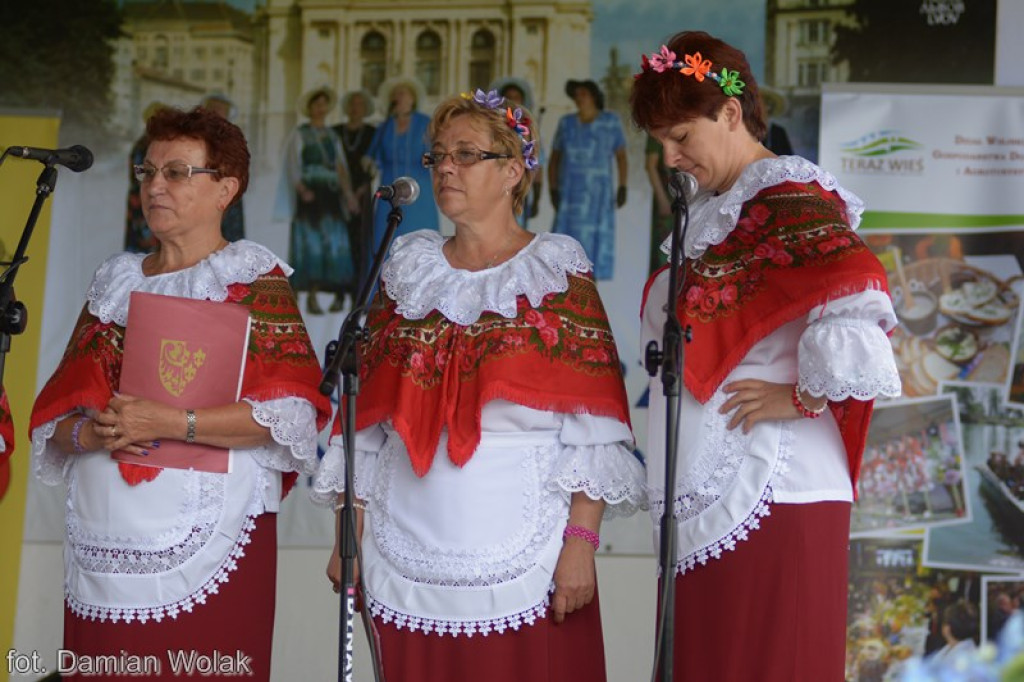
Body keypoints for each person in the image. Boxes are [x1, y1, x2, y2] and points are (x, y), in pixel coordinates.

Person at [311, 88, 645, 682]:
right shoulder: (406, 271)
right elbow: (365, 423)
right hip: (405, 542)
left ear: (513, 171)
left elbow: (595, 428)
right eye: (438, 155)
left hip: (528, 548)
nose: (445, 167)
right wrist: (349, 535)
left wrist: (580, 543)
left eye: (466, 154)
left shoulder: (556, 274)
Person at [630, 31, 902, 681]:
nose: (670, 157)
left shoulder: (786, 196)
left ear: (730, 113)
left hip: (773, 487)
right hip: (711, 493)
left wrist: (804, 395)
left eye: (680, 137)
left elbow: (857, 292)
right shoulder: (715, 211)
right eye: (660, 141)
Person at [29, 106, 332, 682]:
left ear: (226, 189)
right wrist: (92, 432)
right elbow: (56, 422)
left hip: (211, 539)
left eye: (176, 172)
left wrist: (172, 422)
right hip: (104, 539)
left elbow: (288, 415)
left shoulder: (252, 282)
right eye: (147, 171)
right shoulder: (114, 281)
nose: (155, 186)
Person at [275, 86, 360, 316]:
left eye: (324, 104)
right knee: (310, 242)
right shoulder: (300, 134)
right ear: (310, 107)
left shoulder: (332, 136)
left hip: (331, 194)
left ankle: (338, 293)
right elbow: (293, 164)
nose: (320, 108)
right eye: (316, 104)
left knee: (335, 242)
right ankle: (309, 295)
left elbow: (341, 167)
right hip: (311, 194)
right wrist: (301, 189)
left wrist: (348, 195)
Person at [548, 79, 627, 280]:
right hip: (570, 196)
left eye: (583, 93)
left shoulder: (610, 122)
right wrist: (553, 188)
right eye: (576, 95)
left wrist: (623, 186)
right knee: (564, 250)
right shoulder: (566, 124)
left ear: (594, 96)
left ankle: (591, 294)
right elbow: (555, 158)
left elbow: (621, 156)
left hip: (599, 197)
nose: (579, 98)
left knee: (595, 250)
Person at [366, 77, 438, 254]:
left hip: (419, 190)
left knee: (418, 239)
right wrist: (368, 163)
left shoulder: (424, 122)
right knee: (386, 237)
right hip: (390, 189)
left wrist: (429, 159)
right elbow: (372, 156)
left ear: (412, 99)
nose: (398, 97)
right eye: (395, 94)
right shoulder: (385, 126)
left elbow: (436, 153)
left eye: (403, 93)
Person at [332, 89, 377, 285]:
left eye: (360, 104)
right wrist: (347, 193)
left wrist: (359, 192)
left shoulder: (372, 132)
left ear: (366, 108)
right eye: (352, 103)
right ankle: (339, 289)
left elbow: (375, 165)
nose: (355, 108)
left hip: (363, 193)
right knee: (338, 241)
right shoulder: (335, 131)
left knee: (360, 239)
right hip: (337, 192)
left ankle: (357, 288)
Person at [490, 76, 543, 227]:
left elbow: (538, 166)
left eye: (516, 97)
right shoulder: (490, 128)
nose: (513, 101)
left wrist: (536, 198)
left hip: (519, 193)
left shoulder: (529, 131)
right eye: (509, 97)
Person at [200, 92, 246, 243]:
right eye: (213, 109)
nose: (217, 113)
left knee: (230, 239)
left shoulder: (233, 137)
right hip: (203, 191)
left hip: (229, 193)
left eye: (221, 110)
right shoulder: (198, 136)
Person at [124, 101, 167, 253]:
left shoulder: (146, 142)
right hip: (144, 196)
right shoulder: (147, 144)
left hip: (142, 196)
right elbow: (140, 174)